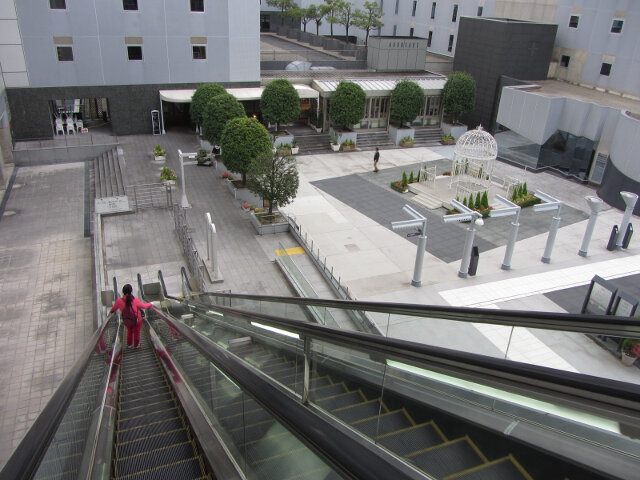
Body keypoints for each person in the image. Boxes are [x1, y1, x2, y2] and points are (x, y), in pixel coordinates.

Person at [110, 284, 153, 349]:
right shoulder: (135, 300)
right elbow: (144, 306)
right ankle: (136, 346)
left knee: (129, 332)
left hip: (127, 320)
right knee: (137, 333)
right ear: (131, 291)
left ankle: (129, 345)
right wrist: (151, 304)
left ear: (123, 292)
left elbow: (113, 309)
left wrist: (111, 313)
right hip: (137, 320)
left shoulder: (119, 301)